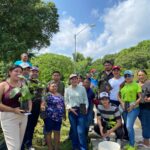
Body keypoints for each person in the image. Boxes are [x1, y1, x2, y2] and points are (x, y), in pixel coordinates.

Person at [0, 65, 31, 150]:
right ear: (10, 72)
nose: (18, 73)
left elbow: (29, 99)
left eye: (20, 72)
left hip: (23, 117)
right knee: (14, 147)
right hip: (8, 117)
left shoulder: (23, 84)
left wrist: (29, 110)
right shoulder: (3, 85)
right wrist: (13, 110)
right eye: (16, 71)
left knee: (19, 144)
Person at [118, 70, 141, 150]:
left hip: (134, 108)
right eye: (125, 76)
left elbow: (140, 97)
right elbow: (118, 96)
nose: (127, 77)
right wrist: (122, 103)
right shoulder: (122, 85)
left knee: (129, 126)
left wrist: (133, 105)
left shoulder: (136, 85)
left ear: (132, 76)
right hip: (124, 107)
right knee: (127, 126)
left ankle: (132, 145)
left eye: (129, 75)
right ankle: (130, 143)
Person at [65, 74, 89, 150]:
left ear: (78, 80)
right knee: (74, 131)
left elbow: (86, 100)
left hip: (81, 109)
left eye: (75, 78)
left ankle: (83, 148)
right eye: (72, 79)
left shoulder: (82, 88)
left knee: (81, 131)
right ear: (70, 80)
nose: (74, 80)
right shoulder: (67, 89)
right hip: (72, 110)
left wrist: (86, 108)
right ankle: (75, 147)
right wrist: (70, 108)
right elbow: (66, 101)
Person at [22, 66, 43, 150]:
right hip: (27, 106)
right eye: (33, 71)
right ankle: (22, 144)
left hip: (36, 106)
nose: (34, 73)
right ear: (29, 72)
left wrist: (42, 103)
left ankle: (29, 143)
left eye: (36, 72)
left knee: (32, 125)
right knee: (25, 125)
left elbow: (42, 95)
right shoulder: (25, 82)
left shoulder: (40, 83)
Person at [41, 81, 65, 150]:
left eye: (56, 86)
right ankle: (50, 147)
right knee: (48, 132)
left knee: (57, 132)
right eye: (52, 86)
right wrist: (42, 107)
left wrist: (64, 114)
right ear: (49, 87)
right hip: (49, 117)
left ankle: (56, 147)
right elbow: (42, 104)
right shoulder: (46, 95)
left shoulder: (60, 95)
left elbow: (63, 105)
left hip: (58, 117)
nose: (54, 87)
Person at [137, 70, 150, 148]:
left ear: (146, 75)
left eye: (142, 75)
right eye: (139, 75)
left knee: (146, 124)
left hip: (147, 107)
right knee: (143, 123)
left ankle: (146, 142)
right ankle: (144, 139)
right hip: (138, 107)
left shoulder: (149, 83)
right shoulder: (136, 83)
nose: (141, 77)